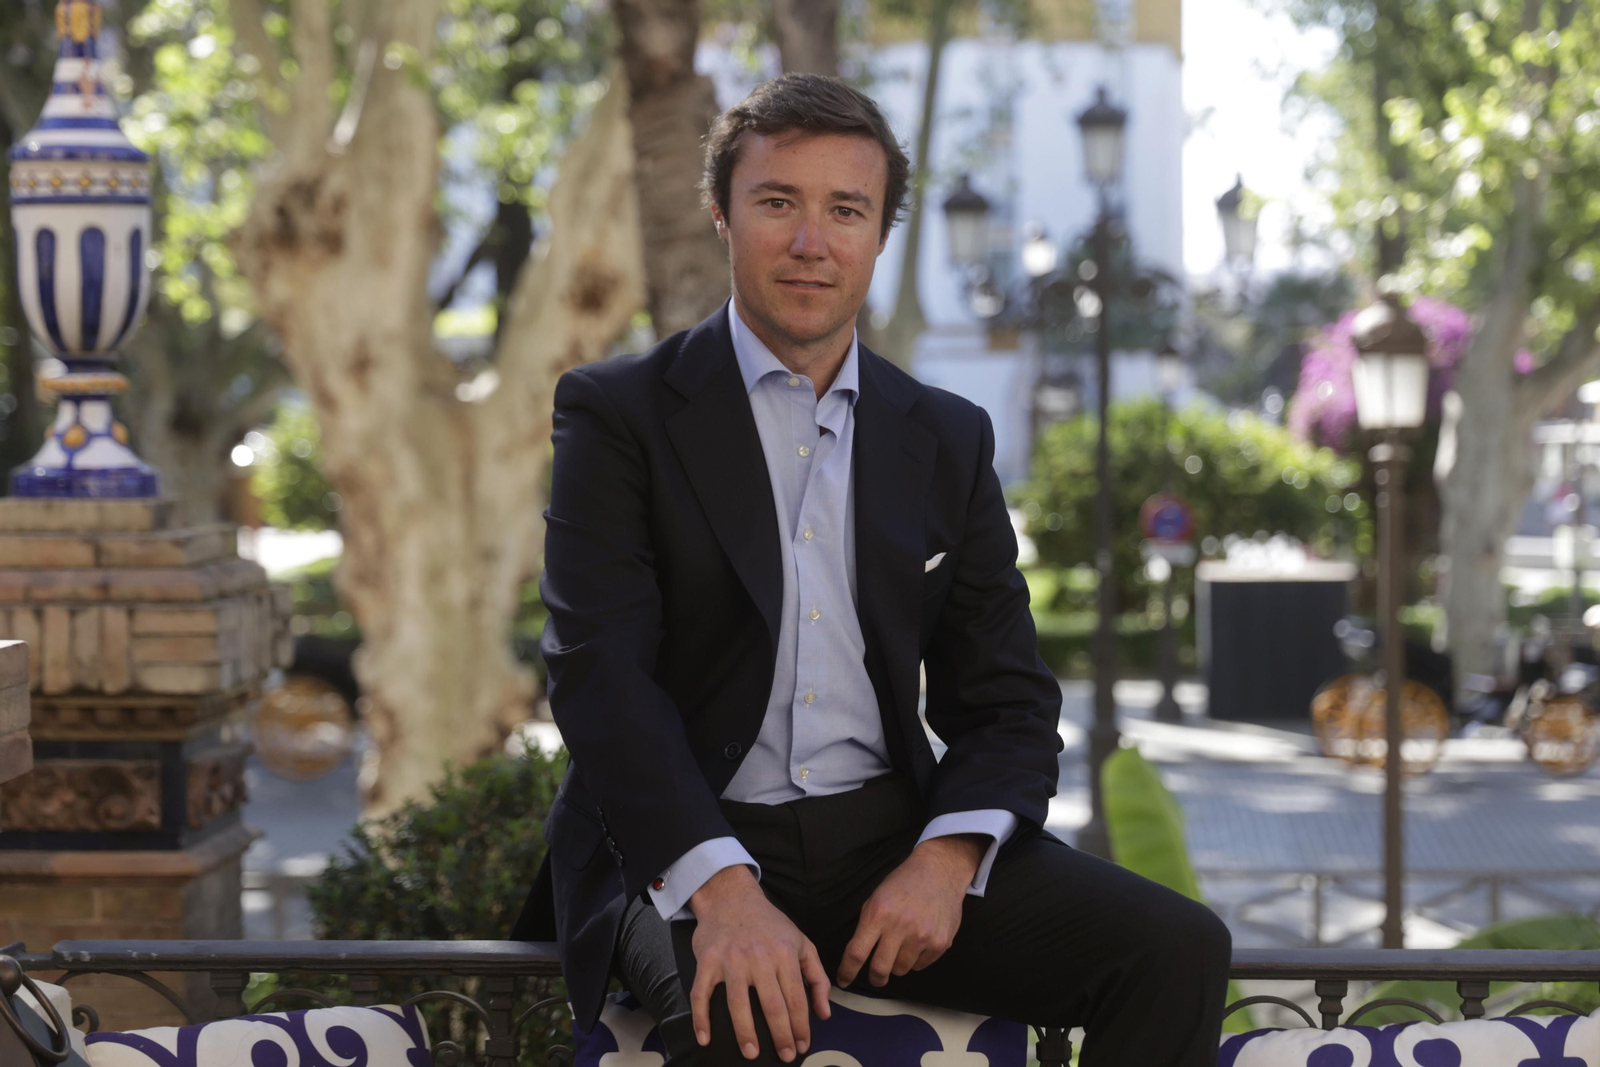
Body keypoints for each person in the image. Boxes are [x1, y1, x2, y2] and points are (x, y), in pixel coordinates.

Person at [511, 72, 1231, 1066]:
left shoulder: (946, 436)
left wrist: (946, 855)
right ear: (722, 215)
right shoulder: (618, 412)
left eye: (844, 209)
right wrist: (723, 890)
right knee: (741, 1020)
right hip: (681, 838)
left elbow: (1008, 697)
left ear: (880, 235)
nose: (812, 240)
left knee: (1176, 948)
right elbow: (601, 676)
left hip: (885, 841)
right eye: (777, 202)